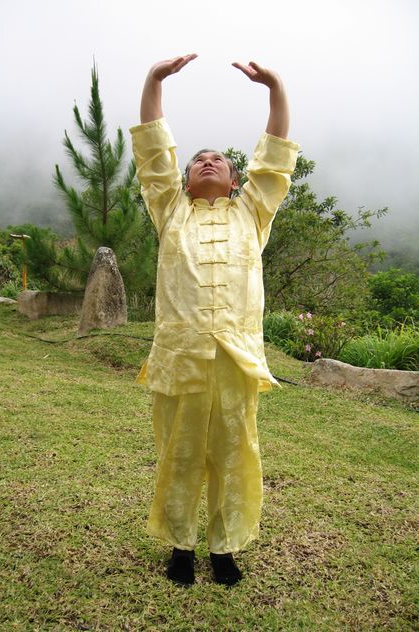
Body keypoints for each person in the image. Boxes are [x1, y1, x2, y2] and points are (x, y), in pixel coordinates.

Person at [130, 55, 299, 586]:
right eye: (198, 159)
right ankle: (180, 546)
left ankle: (224, 549)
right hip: (179, 357)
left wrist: (276, 89)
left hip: (236, 358)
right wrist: (153, 81)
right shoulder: (171, 210)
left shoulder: (252, 212)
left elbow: (273, 162)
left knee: (234, 455)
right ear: (182, 181)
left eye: (219, 160)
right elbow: (154, 156)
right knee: (178, 455)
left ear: (233, 181)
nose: (207, 162)